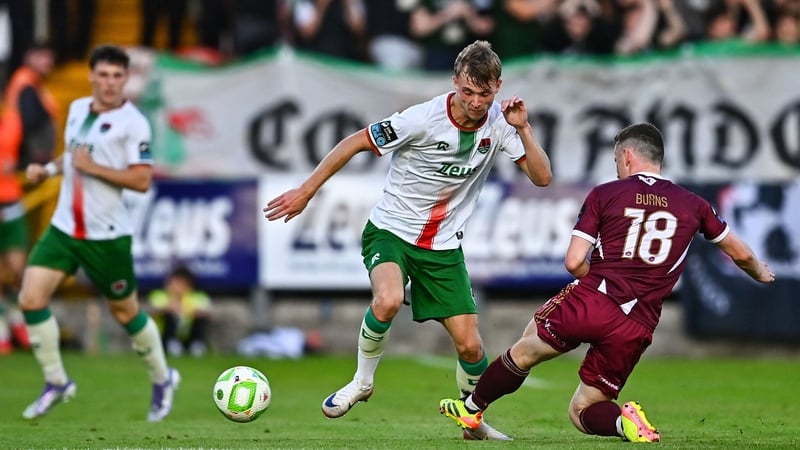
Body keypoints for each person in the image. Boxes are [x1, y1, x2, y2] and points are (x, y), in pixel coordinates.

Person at [265, 40, 552, 440]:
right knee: (386, 299)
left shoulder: (501, 125)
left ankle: (473, 422)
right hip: (392, 231)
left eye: (483, 94)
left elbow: (542, 178)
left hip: (444, 247)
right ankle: (363, 382)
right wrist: (306, 191)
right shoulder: (421, 119)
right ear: (454, 82)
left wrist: (523, 127)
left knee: (471, 348)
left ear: (498, 88)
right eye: (466, 91)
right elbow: (355, 142)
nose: (474, 102)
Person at [439, 122, 776, 442]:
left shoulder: (606, 194)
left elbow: (573, 261)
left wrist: (599, 284)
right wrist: (759, 272)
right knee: (582, 409)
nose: (617, 166)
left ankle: (472, 409)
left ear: (628, 156)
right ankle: (623, 422)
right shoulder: (694, 204)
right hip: (638, 322)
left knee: (526, 349)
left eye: (617, 159)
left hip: (595, 300)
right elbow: (740, 253)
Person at [19, 44, 179, 421]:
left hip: (106, 236)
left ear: (126, 79)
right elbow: (73, 156)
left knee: (126, 313)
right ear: (91, 75)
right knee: (30, 298)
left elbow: (141, 180)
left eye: (117, 76)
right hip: (63, 230)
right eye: (103, 75)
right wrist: (49, 170)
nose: (109, 83)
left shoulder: (134, 123)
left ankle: (162, 377)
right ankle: (57, 381)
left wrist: (93, 168)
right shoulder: (76, 109)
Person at [0, 42, 57, 354]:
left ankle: (16, 317)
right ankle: (6, 327)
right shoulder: (24, 88)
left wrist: (25, 161)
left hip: (11, 197)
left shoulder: (12, 115)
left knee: (19, 266)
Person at [148, 265, 212, 357]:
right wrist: (170, 308)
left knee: (199, 318)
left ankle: (196, 345)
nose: (174, 286)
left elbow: (206, 312)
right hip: (165, 336)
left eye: (179, 283)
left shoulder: (197, 297)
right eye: (172, 282)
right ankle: (171, 344)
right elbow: (153, 310)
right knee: (168, 315)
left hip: (187, 334)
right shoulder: (160, 295)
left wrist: (187, 311)